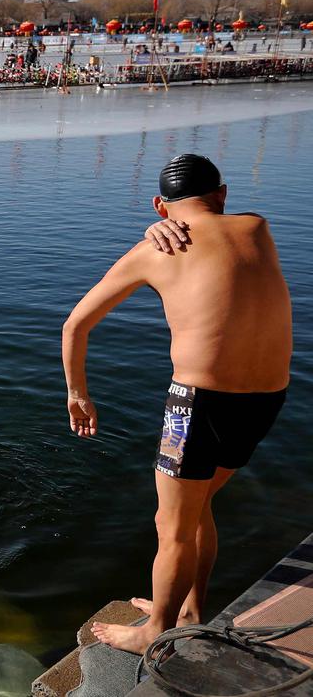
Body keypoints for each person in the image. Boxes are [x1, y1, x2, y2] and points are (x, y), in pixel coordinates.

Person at [62, 154, 290, 655]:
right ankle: (190, 609)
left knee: (172, 524)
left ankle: (157, 629)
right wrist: (165, 223)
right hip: (267, 399)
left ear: (160, 205)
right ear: (223, 195)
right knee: (200, 504)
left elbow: (75, 325)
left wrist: (78, 393)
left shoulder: (152, 251)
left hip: (198, 402)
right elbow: (216, 225)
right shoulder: (258, 228)